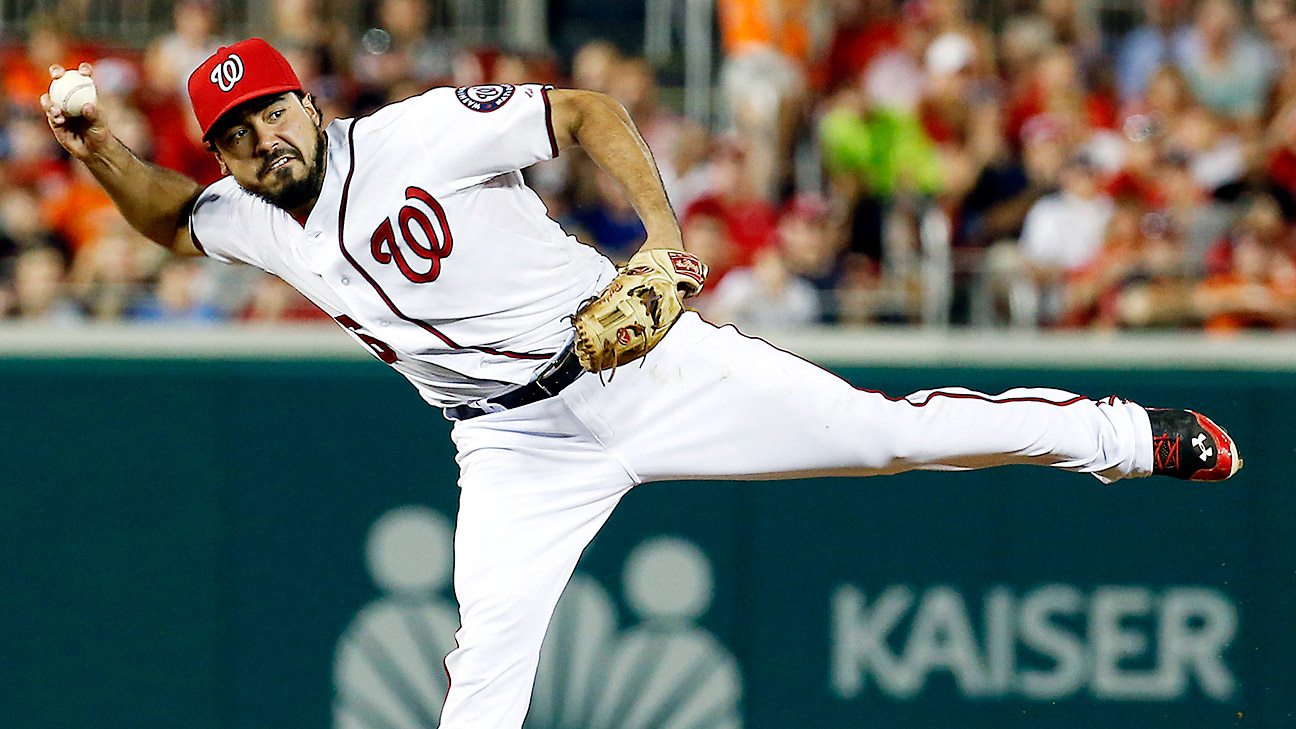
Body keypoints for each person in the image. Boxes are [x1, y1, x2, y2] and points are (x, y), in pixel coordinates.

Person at [42, 39, 1242, 729]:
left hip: (643, 363)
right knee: (482, 687)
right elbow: (167, 218)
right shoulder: (259, 217)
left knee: (883, 437)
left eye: (270, 113)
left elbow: (588, 111)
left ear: (308, 98)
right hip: (511, 450)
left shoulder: (413, 135)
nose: (262, 142)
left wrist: (661, 243)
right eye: (237, 135)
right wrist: (98, 147)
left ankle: (1120, 434)